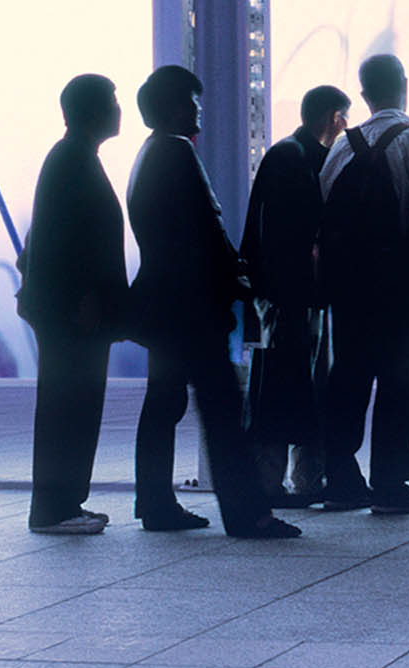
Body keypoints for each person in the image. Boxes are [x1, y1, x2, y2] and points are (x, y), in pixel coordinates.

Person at [124, 65, 298, 540]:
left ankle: (155, 501)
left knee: (164, 402)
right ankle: (248, 514)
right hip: (193, 310)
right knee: (223, 409)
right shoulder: (178, 153)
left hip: (167, 307)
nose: (199, 110)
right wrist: (242, 280)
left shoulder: (149, 154)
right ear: (177, 106)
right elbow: (207, 233)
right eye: (194, 102)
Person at [15, 73, 145, 533]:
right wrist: (84, 303)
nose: (118, 108)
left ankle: (67, 501)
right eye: (111, 100)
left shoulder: (73, 158)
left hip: (74, 313)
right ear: (92, 110)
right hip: (74, 315)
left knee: (74, 405)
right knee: (66, 407)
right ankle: (53, 508)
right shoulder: (72, 161)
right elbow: (68, 245)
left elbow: (40, 238)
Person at [316, 52, 409, 512]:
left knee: (349, 375)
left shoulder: (340, 148)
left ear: (365, 95)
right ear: (404, 83)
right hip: (403, 285)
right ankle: (390, 481)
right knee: (400, 378)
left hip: (350, 286)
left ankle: (341, 476)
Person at [241, 85, 345, 505]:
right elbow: (293, 238)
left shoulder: (288, 155)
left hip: (285, 296)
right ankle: (275, 484)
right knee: (285, 388)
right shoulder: (296, 160)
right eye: (342, 117)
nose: (345, 127)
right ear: (330, 116)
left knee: (287, 386)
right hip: (291, 297)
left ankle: (290, 481)